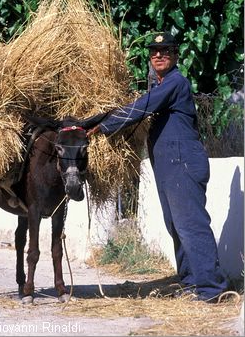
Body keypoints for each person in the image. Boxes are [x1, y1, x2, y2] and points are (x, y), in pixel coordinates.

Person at [87, 31, 228, 302]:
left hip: (182, 164)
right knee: (175, 227)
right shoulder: (161, 86)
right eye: (153, 52)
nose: (159, 56)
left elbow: (142, 107)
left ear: (176, 55)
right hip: (168, 167)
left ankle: (212, 290)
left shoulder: (175, 83)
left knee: (191, 226)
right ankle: (190, 285)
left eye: (165, 52)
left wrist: (102, 125)